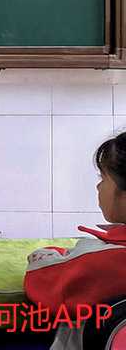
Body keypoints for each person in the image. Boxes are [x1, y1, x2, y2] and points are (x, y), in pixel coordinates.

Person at [24, 131, 126, 350]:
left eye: (103, 178)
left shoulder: (101, 261)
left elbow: (41, 275)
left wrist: (55, 252)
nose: (99, 187)